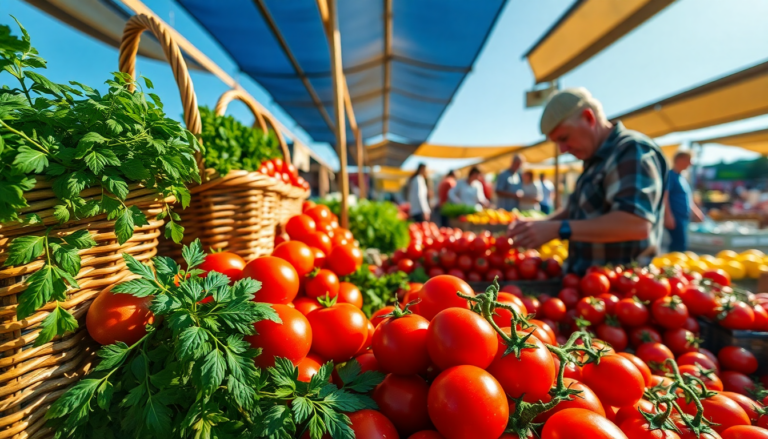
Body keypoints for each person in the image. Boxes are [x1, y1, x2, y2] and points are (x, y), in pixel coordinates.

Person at [508, 87, 668, 275]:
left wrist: (558, 229)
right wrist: (538, 226)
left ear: (588, 118)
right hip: (585, 285)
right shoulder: (593, 160)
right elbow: (576, 211)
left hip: (618, 289)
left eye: (564, 138)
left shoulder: (631, 150)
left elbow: (636, 223)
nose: (562, 149)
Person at [664, 151, 705, 252]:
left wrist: (696, 211)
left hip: (683, 217)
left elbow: (687, 198)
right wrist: (668, 216)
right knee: (678, 245)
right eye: (688, 160)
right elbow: (665, 196)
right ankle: (672, 267)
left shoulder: (682, 178)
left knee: (682, 244)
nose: (690, 163)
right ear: (679, 160)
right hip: (675, 216)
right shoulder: (670, 175)